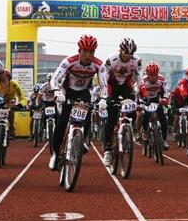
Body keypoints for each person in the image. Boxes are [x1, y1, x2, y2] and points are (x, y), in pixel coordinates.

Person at [48, 34, 104, 170]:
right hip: (68, 91)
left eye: (91, 51)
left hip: (84, 92)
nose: (88, 54)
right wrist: (56, 91)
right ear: (79, 51)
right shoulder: (69, 61)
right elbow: (55, 78)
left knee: (88, 113)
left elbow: (104, 85)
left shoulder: (99, 64)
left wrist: (103, 99)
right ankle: (55, 154)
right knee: (62, 122)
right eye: (85, 51)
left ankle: (81, 139)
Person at [99, 37, 142, 167]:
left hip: (125, 86)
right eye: (125, 53)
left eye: (130, 54)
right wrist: (104, 96)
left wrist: (140, 95)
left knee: (135, 111)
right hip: (111, 85)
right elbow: (103, 79)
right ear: (120, 50)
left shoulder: (137, 61)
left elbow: (139, 79)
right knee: (111, 118)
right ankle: (107, 150)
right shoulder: (111, 60)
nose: (128, 56)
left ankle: (128, 131)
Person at [138, 61, 170, 150]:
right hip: (146, 99)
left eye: (154, 75)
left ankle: (164, 140)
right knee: (145, 116)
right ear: (147, 74)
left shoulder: (162, 79)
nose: (153, 77)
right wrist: (140, 102)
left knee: (163, 119)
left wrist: (165, 99)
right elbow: (137, 93)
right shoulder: (142, 81)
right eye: (150, 75)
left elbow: (166, 91)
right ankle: (145, 131)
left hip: (157, 98)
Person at [0, 70, 26, 138]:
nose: (3, 81)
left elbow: (21, 96)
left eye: (5, 79)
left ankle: (11, 127)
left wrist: (21, 104)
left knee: (10, 111)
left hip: (9, 101)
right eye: (1, 79)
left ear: (9, 79)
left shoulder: (14, 84)